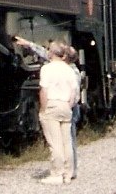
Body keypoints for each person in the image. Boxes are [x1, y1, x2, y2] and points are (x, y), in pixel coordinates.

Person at [36, 42, 77, 185]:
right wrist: (68, 106)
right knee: (67, 142)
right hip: (66, 106)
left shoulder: (47, 69)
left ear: (51, 53)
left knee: (55, 143)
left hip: (52, 104)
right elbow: (73, 93)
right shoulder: (69, 70)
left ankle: (57, 174)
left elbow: (44, 90)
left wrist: (43, 109)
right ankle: (68, 173)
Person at [65, 45, 84, 180]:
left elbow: (74, 93)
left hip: (70, 107)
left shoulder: (71, 71)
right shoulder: (70, 69)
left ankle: (71, 169)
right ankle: (69, 169)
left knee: (69, 139)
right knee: (68, 139)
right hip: (70, 106)